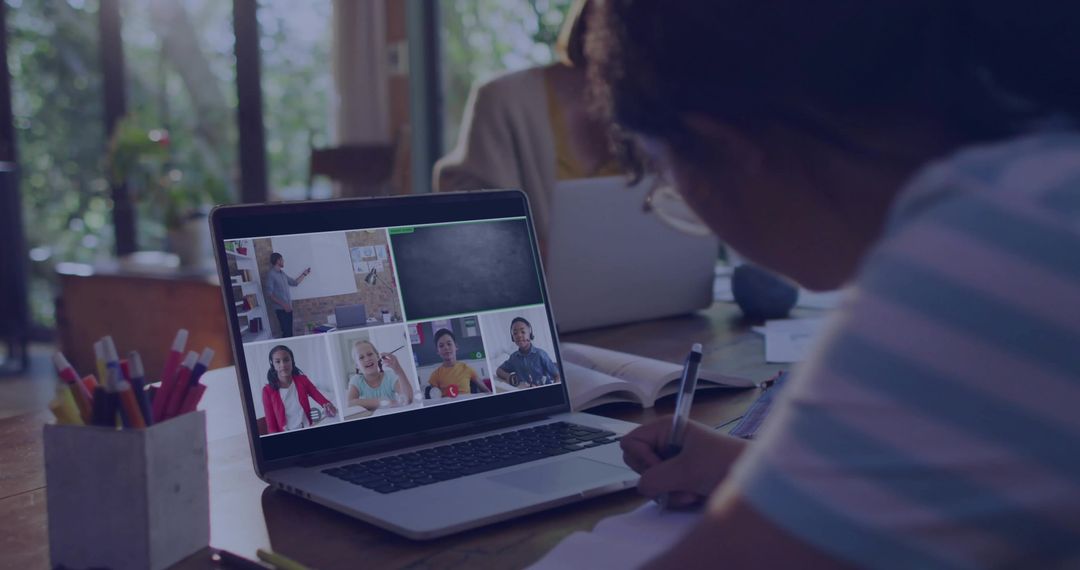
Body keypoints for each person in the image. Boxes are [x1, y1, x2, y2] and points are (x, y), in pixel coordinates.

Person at [587, 0, 1080, 567]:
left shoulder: (997, 242)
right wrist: (765, 475)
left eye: (668, 177)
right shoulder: (1040, 184)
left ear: (725, 148)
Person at [433, 0, 629, 252]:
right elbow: (462, 213)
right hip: (538, 287)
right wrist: (525, 250)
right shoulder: (503, 99)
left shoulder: (664, 107)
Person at [261, 345, 337, 434]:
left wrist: (329, 407)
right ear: (273, 365)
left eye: (286, 360)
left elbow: (322, 399)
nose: (283, 365)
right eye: (278, 361)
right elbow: (271, 426)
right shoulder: (267, 391)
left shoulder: (303, 380)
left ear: (292, 361)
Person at [346, 339, 415, 411]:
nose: (367, 359)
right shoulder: (356, 380)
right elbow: (350, 403)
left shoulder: (389, 376)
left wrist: (398, 370)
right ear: (357, 365)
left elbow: (408, 399)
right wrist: (385, 403)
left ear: (378, 357)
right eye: (361, 357)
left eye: (370, 354)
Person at [495, 317, 560, 387]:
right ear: (512, 337)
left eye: (523, 332)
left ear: (530, 333)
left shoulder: (541, 354)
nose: (519, 335)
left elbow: (557, 375)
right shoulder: (513, 358)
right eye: (515, 333)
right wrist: (508, 376)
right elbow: (499, 370)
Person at [427, 328, 490, 397]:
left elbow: (486, 391)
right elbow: (434, 399)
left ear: (456, 346)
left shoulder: (467, 369)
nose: (446, 348)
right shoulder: (435, 375)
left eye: (449, 344)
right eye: (441, 346)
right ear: (437, 351)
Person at [264, 252, 311, 338]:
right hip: (281, 310)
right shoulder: (271, 275)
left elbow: (295, 283)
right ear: (278, 260)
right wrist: (284, 305)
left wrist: (305, 274)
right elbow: (269, 294)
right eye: (282, 260)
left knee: (290, 333)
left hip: (288, 309)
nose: (284, 261)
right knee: (286, 333)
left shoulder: (282, 273)